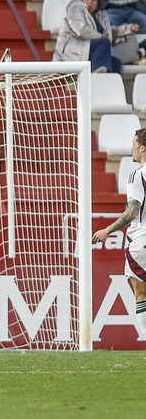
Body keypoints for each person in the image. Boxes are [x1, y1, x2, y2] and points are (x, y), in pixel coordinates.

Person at [93, 127, 146, 339]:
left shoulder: (137, 175)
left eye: (134, 144)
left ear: (143, 148)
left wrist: (107, 229)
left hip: (142, 240)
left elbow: (132, 212)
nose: (131, 148)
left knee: (141, 294)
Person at [54, 0, 138, 73]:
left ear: (97, 4)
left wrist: (129, 28)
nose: (90, 2)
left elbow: (109, 33)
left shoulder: (99, 17)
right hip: (73, 51)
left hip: (88, 51)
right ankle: (96, 76)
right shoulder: (76, 9)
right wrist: (101, 38)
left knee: (116, 62)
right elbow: (81, 30)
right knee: (104, 43)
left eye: (93, 0)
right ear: (82, 0)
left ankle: (106, 83)